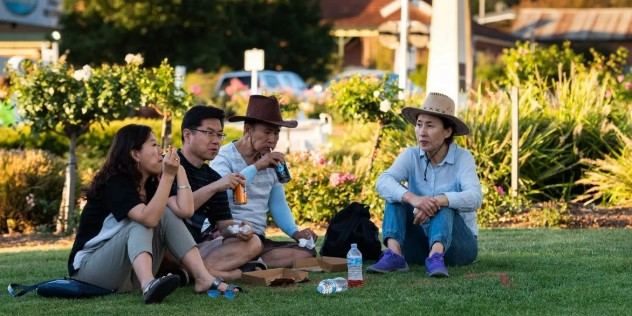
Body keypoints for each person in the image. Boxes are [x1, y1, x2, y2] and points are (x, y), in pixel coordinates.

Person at [68, 124, 241, 304]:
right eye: (154, 145)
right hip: (89, 271)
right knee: (143, 221)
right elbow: (148, 218)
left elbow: (186, 210)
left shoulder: (150, 184)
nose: (161, 151)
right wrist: (167, 176)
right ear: (135, 154)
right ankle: (148, 284)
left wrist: (179, 170)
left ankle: (203, 278)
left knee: (165, 213)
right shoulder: (115, 182)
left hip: (124, 275)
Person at [366, 92, 482, 277]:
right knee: (396, 194)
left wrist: (438, 201)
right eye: (419, 125)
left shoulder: (463, 158)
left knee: (446, 202)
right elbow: (383, 181)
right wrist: (413, 199)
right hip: (419, 244)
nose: (422, 132)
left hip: (459, 247)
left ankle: (437, 256)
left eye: (430, 126)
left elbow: (475, 198)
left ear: (447, 131)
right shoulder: (411, 154)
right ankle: (395, 255)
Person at [211, 95, 317, 268]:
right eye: (267, 132)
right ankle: (247, 262)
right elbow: (219, 192)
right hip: (226, 234)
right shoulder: (224, 157)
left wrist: (296, 233)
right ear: (248, 130)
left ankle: (249, 264)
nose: (272, 139)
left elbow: (278, 204)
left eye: (276, 133)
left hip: (256, 239)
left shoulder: (272, 163)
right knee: (249, 244)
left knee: (306, 253)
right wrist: (257, 167)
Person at [163, 105, 262, 281]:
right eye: (209, 133)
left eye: (219, 134)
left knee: (253, 242)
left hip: (193, 249)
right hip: (165, 247)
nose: (216, 141)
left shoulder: (212, 177)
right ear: (187, 135)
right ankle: (223, 274)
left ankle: (192, 273)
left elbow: (225, 227)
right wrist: (215, 186)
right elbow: (178, 209)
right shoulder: (169, 166)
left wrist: (239, 229)